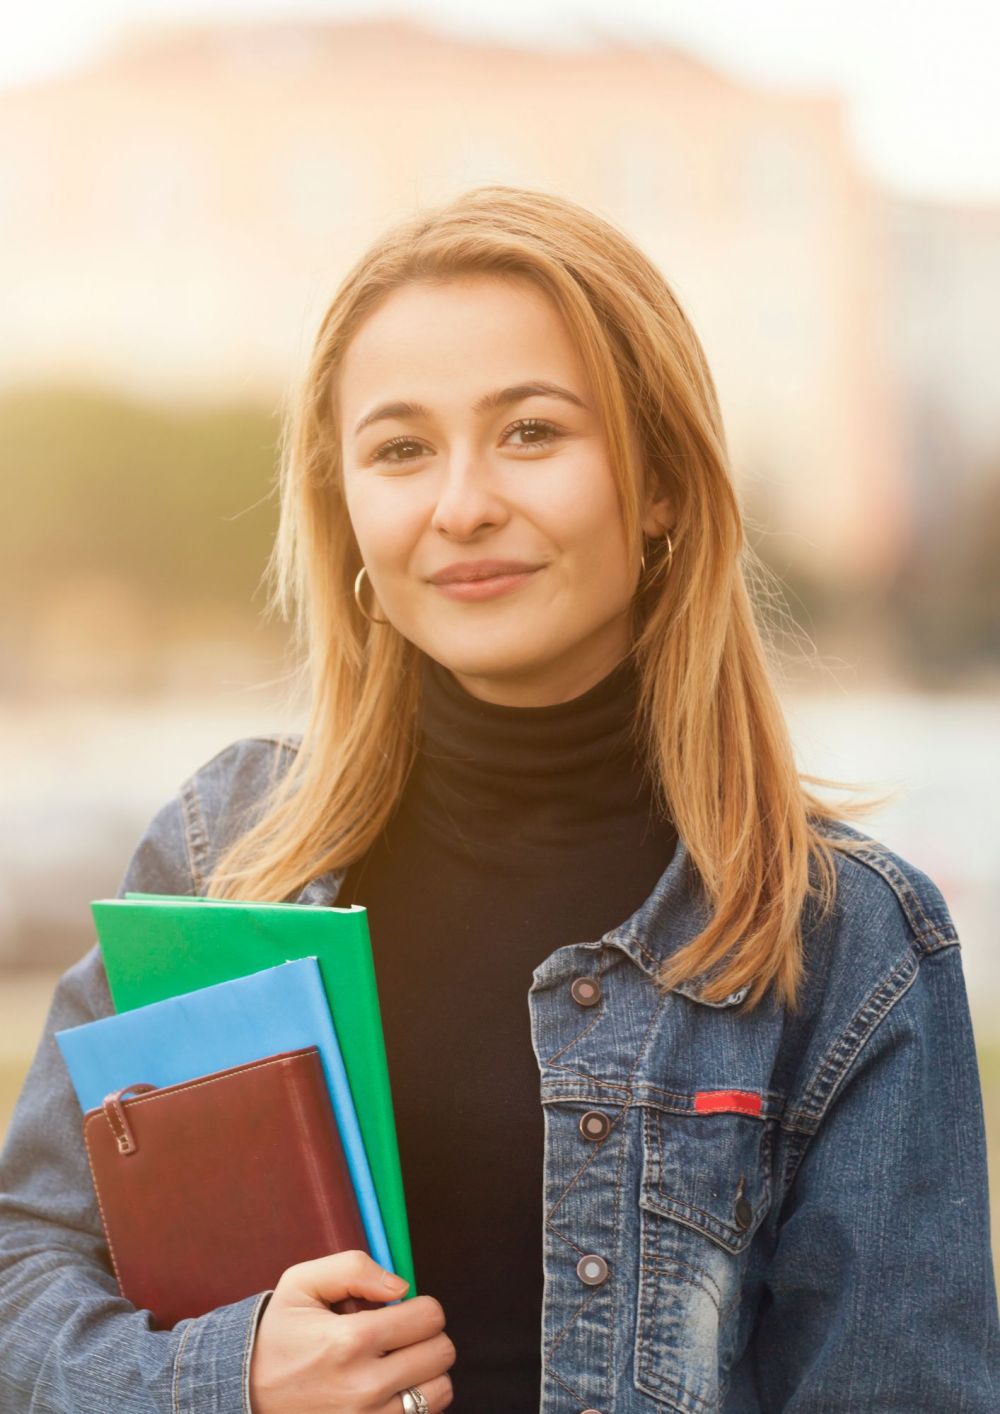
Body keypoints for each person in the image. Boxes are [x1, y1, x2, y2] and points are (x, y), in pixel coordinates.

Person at [0, 184, 996, 1414]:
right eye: (402, 448)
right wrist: (226, 1376)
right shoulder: (225, 847)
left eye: (531, 432)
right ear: (347, 506)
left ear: (665, 483)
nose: (461, 503)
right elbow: (23, 1275)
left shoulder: (845, 940)